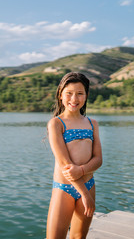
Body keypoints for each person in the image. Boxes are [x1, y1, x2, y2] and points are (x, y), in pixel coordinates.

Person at [46, 72, 103, 239]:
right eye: (69, 93)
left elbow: (98, 159)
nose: (74, 98)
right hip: (64, 189)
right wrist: (84, 194)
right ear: (60, 94)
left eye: (80, 93)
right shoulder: (56, 124)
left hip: (89, 184)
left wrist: (82, 170)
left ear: (86, 96)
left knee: (79, 237)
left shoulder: (92, 124)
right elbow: (65, 165)